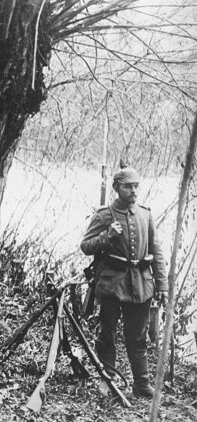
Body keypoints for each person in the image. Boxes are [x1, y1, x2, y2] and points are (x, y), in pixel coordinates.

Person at [80, 166, 168, 399]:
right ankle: (107, 380)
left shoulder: (145, 214)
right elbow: (86, 246)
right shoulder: (104, 215)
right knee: (107, 333)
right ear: (117, 187)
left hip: (140, 283)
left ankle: (141, 384)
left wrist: (162, 285)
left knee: (137, 337)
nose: (133, 191)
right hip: (111, 284)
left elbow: (156, 252)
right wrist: (106, 236)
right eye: (128, 186)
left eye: (136, 186)